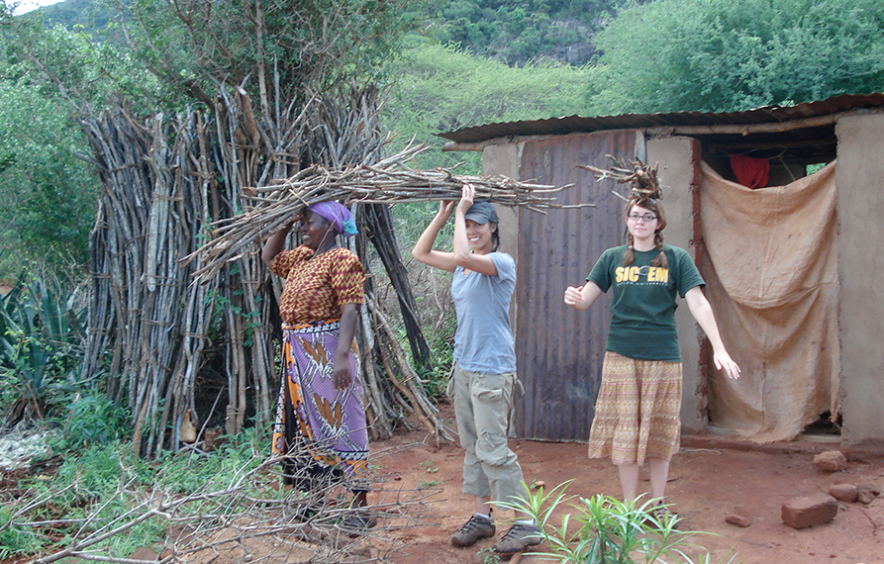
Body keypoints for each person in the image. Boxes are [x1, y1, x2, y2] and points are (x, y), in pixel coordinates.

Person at [563, 190, 741, 523]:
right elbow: (585, 300)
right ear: (627, 221)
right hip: (621, 355)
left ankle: (657, 507)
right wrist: (573, 297)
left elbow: (698, 303)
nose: (640, 222)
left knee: (660, 433)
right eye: (635, 215)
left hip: (663, 356)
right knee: (625, 433)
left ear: (658, 222)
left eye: (647, 216)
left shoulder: (676, 258)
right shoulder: (612, 258)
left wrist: (719, 346)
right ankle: (631, 510)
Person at [411, 184, 540, 554]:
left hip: (491, 371)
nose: (472, 230)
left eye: (479, 224)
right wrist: (443, 212)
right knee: (473, 447)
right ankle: (483, 518)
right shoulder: (462, 267)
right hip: (465, 368)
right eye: (468, 224)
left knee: (494, 448)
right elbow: (420, 252)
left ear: (494, 228)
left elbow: (464, 255)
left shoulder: (501, 264)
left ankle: (526, 523)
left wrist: (459, 211)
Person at [262, 201, 375, 533]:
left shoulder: (342, 259)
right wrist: (287, 219)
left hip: (326, 353)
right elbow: (269, 257)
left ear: (329, 226)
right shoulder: (300, 257)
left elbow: (351, 309)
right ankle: (313, 498)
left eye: (308, 222)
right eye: (303, 222)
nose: (303, 228)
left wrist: (341, 356)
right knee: (304, 426)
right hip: (298, 354)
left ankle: (360, 506)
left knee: (343, 421)